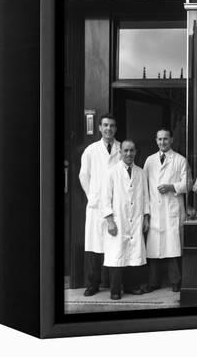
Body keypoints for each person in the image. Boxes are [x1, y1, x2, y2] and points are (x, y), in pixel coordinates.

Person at [101, 140, 150, 300]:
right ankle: (115, 290)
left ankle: (131, 286)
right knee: (117, 255)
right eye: (126, 150)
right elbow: (105, 199)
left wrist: (146, 217)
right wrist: (110, 221)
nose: (129, 153)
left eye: (132, 150)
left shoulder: (141, 172)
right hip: (118, 220)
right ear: (120, 152)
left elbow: (146, 198)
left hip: (135, 219)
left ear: (136, 152)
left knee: (133, 255)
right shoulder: (111, 172)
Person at [78, 114, 121, 297]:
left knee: (115, 247)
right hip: (96, 206)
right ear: (99, 128)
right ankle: (93, 284)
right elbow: (83, 176)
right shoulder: (91, 150)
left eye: (111, 125)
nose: (108, 129)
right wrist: (92, 197)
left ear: (115, 129)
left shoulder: (121, 149)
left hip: (115, 204)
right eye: (105, 125)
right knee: (95, 247)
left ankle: (115, 287)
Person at [143, 128, 190, 293]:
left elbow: (188, 184)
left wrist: (172, 187)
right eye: (160, 139)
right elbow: (144, 188)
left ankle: (176, 281)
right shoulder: (149, 161)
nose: (162, 142)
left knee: (173, 247)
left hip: (172, 209)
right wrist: (146, 214)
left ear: (171, 140)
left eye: (165, 139)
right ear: (156, 141)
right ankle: (153, 282)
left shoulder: (180, 160)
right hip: (155, 209)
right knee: (154, 249)